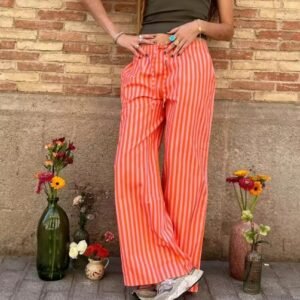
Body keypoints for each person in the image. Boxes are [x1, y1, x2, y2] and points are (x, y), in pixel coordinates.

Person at [80, 0, 234, 299]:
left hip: (191, 62)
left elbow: (227, 29)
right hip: (145, 60)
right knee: (130, 163)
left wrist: (198, 26)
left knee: (184, 171)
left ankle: (176, 273)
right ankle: (158, 266)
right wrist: (117, 35)